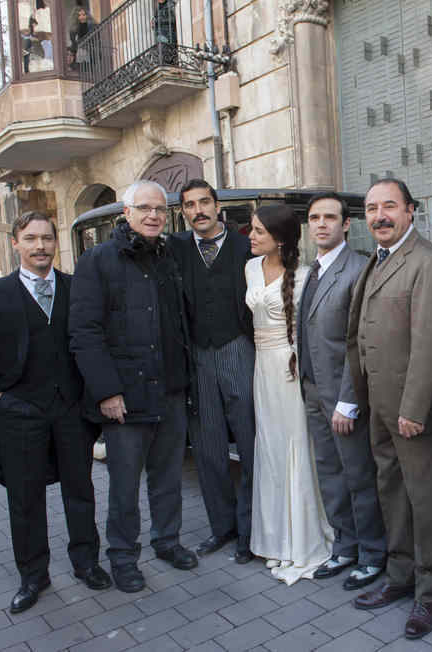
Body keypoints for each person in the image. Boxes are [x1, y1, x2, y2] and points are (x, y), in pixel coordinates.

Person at [0, 212, 109, 613]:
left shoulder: (77, 288)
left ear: (56, 243)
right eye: (31, 238)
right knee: (25, 499)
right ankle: (33, 576)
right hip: (19, 413)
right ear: (16, 244)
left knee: (81, 491)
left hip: (72, 410)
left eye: (47, 238)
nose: (40, 246)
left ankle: (86, 563)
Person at [69, 180, 198, 593]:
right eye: (143, 208)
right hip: (125, 397)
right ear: (125, 213)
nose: (153, 216)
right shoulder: (97, 260)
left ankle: (168, 542)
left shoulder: (171, 255)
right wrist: (106, 391)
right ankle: (123, 556)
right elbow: (85, 333)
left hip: (171, 389)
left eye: (160, 209)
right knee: (124, 485)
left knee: (168, 478)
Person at [347, 178, 432, 640]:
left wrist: (414, 407)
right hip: (377, 404)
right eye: (372, 208)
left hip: (411, 412)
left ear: (411, 211)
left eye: (389, 206)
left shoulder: (427, 261)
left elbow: (430, 339)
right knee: (391, 493)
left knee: (424, 500)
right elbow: (360, 333)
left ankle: (429, 595)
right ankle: (399, 577)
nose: (380, 216)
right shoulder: (377, 258)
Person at [297, 192, 386, 590]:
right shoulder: (311, 269)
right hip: (314, 389)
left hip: (344, 396)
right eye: (315, 217)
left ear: (346, 224)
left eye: (330, 217)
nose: (321, 224)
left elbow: (361, 341)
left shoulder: (359, 269)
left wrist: (349, 400)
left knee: (358, 477)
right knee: (330, 476)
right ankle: (344, 547)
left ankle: (372, 554)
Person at [169, 179, 257, 563]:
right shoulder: (174, 250)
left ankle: (253, 533)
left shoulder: (246, 245)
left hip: (239, 350)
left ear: (217, 205)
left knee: (253, 445)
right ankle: (222, 528)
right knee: (208, 449)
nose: (198, 210)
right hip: (198, 359)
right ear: (183, 212)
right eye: (190, 205)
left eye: (204, 202)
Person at [245, 203, 332, 585]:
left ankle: (302, 540)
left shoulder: (304, 275)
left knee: (297, 448)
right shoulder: (249, 268)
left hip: (289, 369)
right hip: (261, 367)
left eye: (258, 231)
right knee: (270, 449)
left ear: (279, 239)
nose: (250, 236)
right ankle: (274, 537)